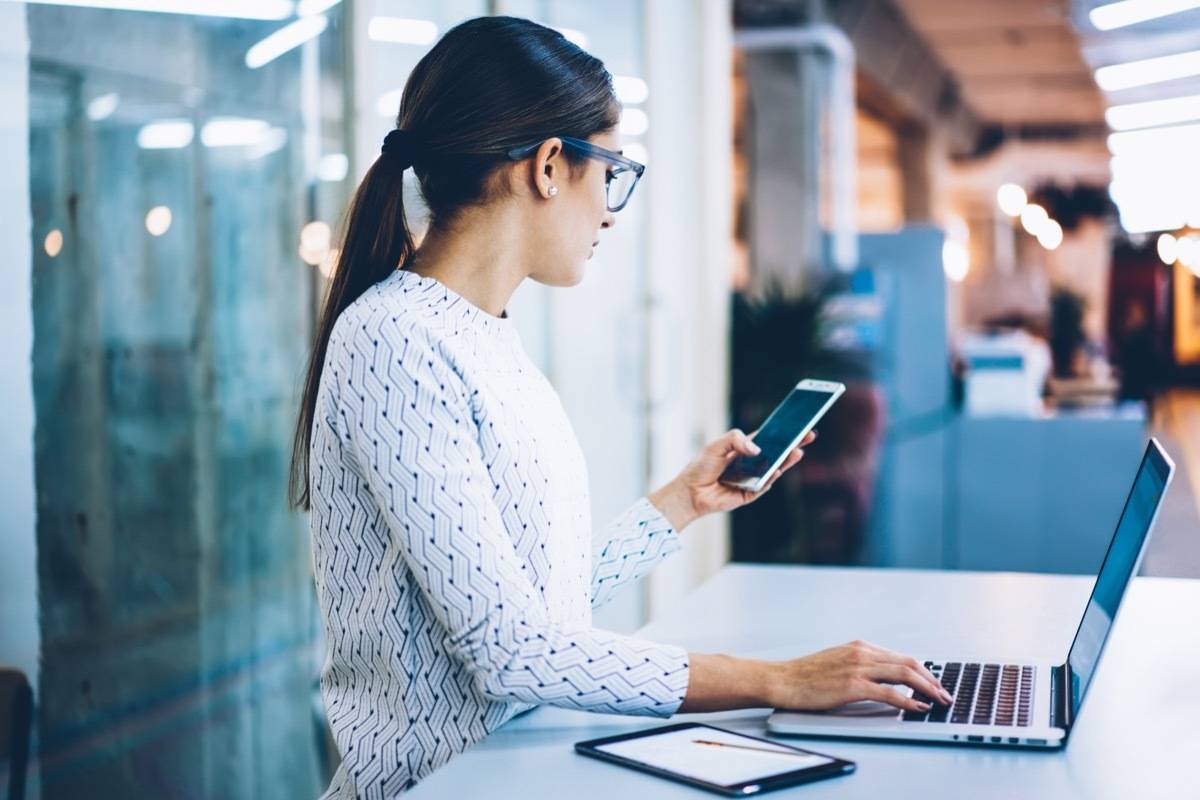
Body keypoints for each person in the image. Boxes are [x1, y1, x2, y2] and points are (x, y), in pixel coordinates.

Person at [289, 16, 949, 797]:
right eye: (611, 172)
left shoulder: (485, 338)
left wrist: (678, 505)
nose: (609, 210)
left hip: (515, 773)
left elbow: (541, 610)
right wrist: (779, 682)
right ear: (546, 168)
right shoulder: (394, 340)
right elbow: (510, 649)